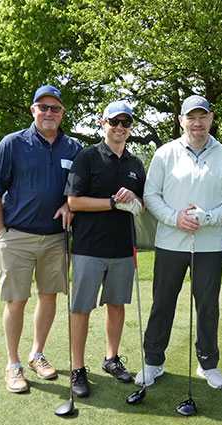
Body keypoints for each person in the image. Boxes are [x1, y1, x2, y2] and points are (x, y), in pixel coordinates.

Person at [0, 84, 82, 393]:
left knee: (49, 296)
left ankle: (37, 354)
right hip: (16, 236)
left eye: (55, 108)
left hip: (55, 238)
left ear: (62, 113)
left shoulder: (72, 147)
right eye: (43, 107)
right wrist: (0, 232)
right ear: (33, 110)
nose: (49, 113)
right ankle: (13, 364)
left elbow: (79, 188)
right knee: (16, 300)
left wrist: (68, 203)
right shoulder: (13, 143)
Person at [135, 95, 222, 389]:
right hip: (170, 242)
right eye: (191, 118)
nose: (197, 123)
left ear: (210, 119)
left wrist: (207, 217)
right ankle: (153, 362)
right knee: (163, 303)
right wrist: (174, 218)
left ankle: (208, 363)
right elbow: (151, 195)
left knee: (207, 305)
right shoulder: (164, 154)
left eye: (202, 117)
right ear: (181, 120)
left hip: (209, 246)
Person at [64, 101, 146, 397]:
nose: (120, 128)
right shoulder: (86, 157)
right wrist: (113, 202)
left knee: (116, 304)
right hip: (87, 247)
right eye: (115, 122)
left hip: (123, 248)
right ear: (103, 123)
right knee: (81, 308)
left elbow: (141, 206)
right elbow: (74, 201)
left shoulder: (136, 164)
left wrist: (132, 200)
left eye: (126, 123)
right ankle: (77, 368)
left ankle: (111, 359)